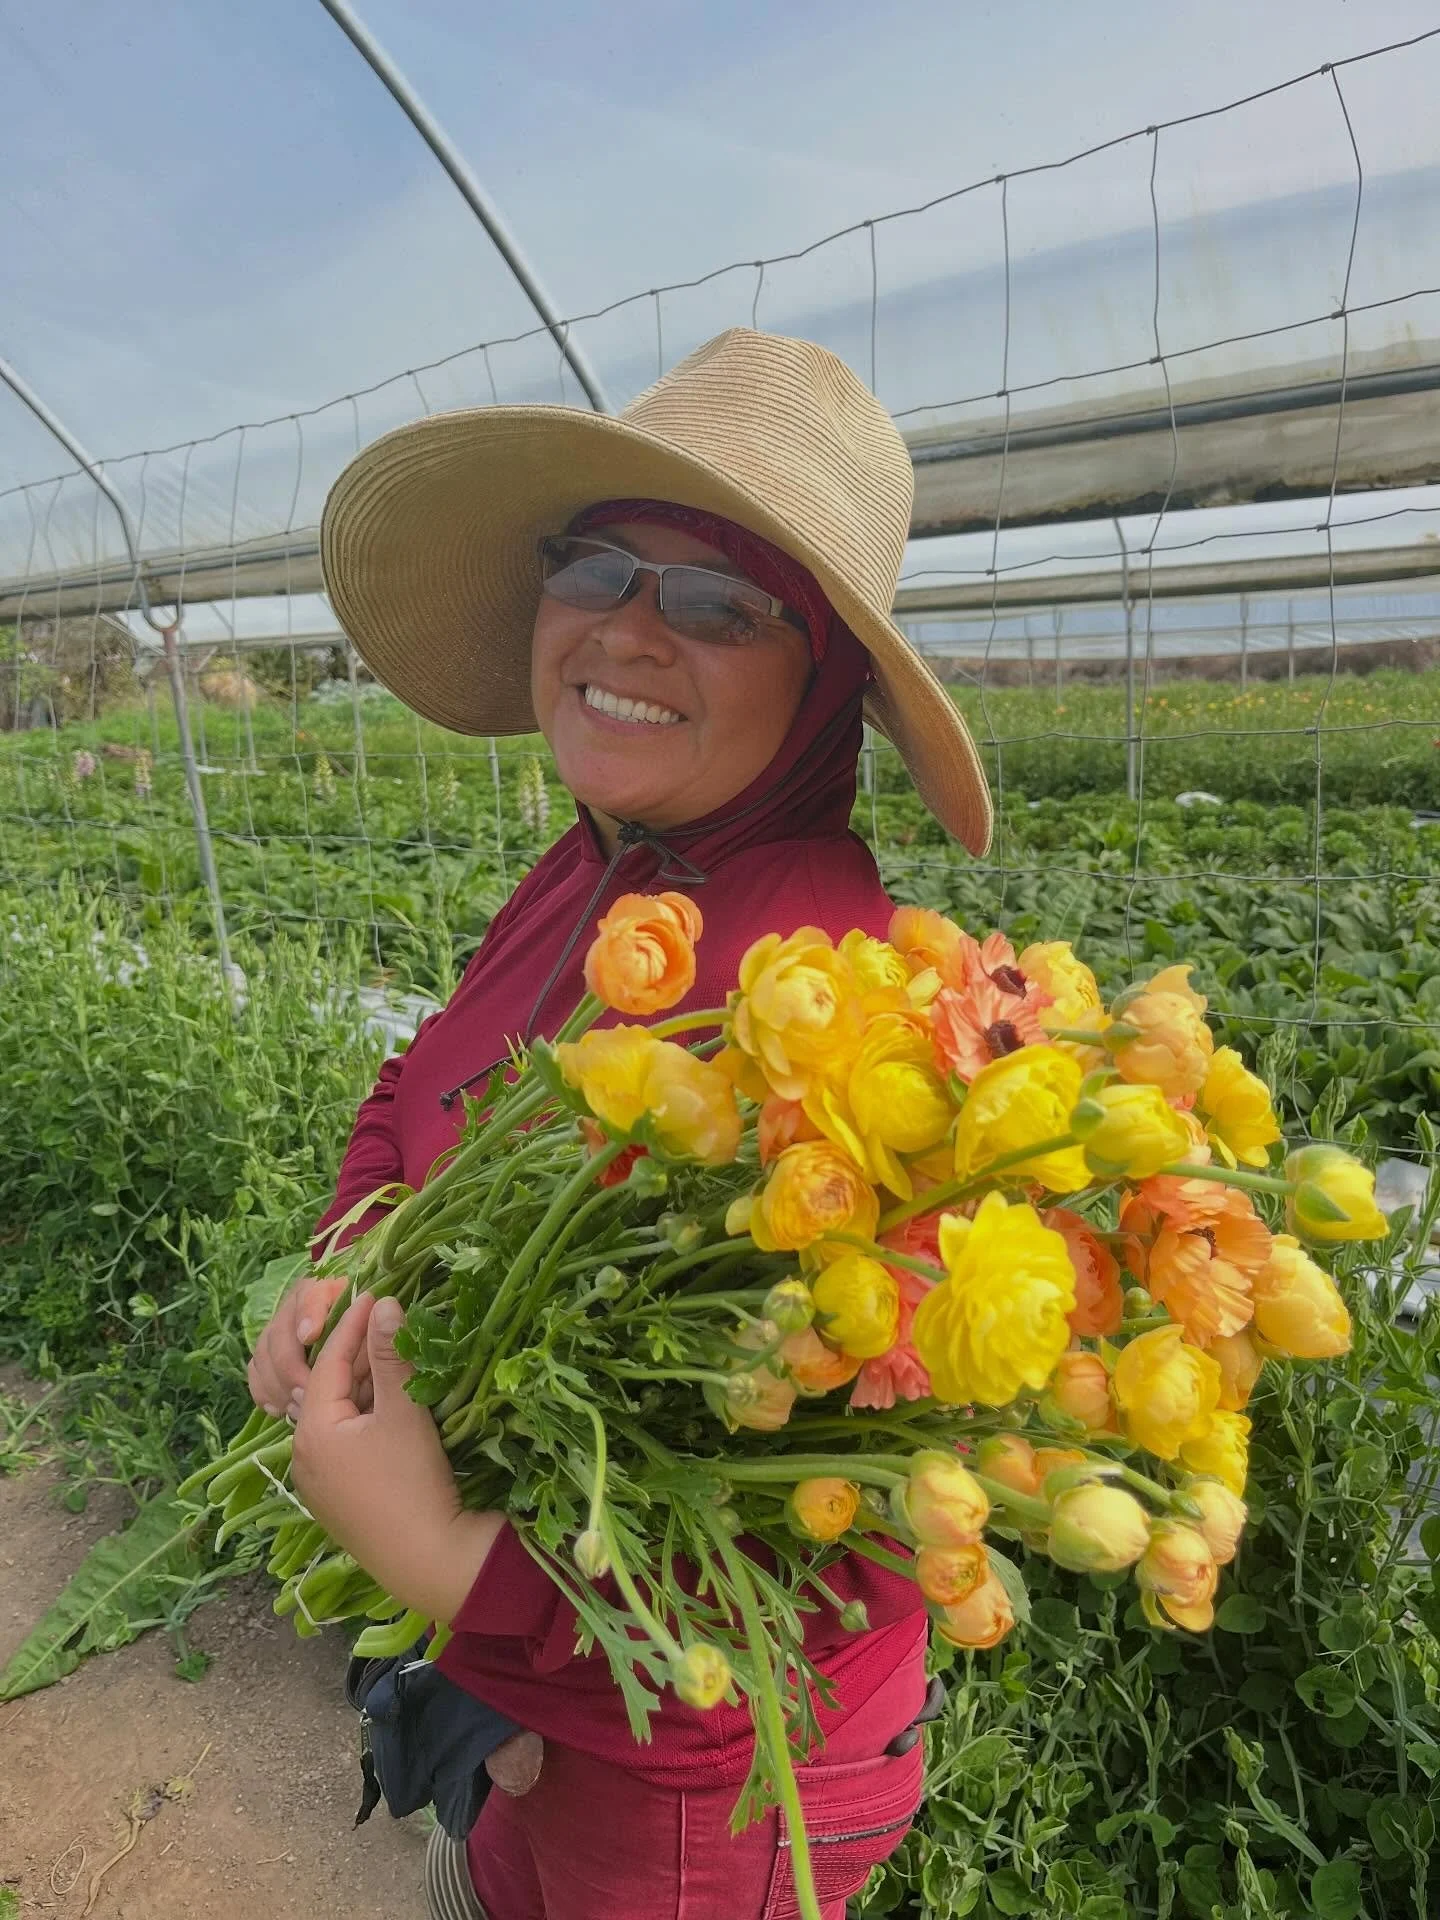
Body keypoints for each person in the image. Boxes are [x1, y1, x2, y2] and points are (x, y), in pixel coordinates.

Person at [247, 327, 992, 1920]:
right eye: (597, 565)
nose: (630, 632)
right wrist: (351, 1271)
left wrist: (455, 1571)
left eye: (723, 603)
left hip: (692, 1798)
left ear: (830, 686)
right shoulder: (604, 872)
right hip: (549, 1709)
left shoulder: (844, 1025)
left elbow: (834, 1550)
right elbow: (418, 1089)